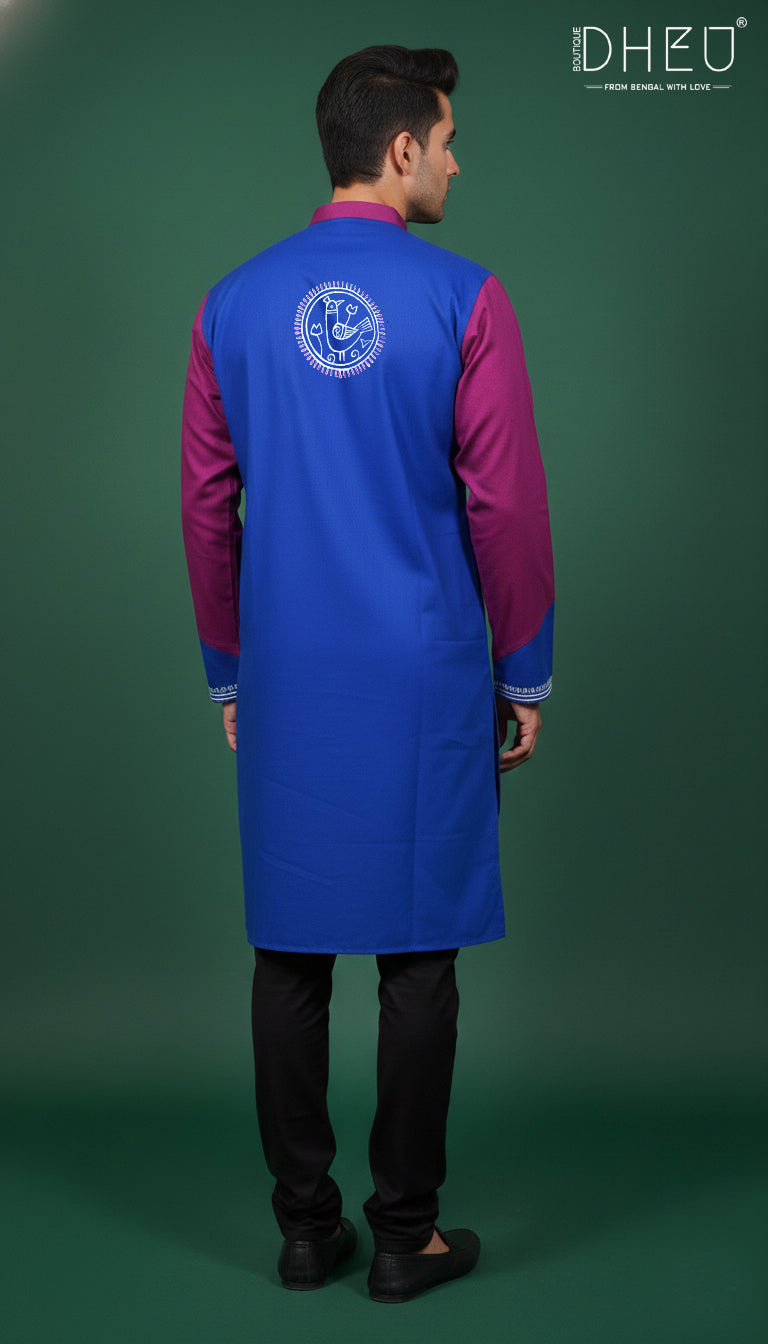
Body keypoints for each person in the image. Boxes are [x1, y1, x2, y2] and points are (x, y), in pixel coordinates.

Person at [181, 44, 554, 1304]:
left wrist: (230, 672)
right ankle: (406, 1235)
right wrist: (526, 669)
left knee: (289, 952)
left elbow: (207, 509)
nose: (455, 161)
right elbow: (505, 507)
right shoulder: (467, 297)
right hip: (422, 670)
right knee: (418, 954)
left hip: (288, 671)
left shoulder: (230, 305)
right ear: (400, 151)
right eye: (446, 140)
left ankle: (305, 1230)